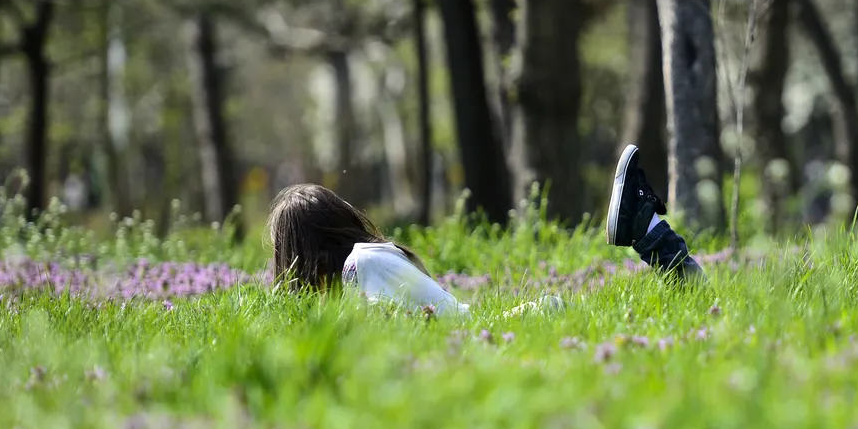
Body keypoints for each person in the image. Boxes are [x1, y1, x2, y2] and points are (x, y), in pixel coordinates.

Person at [266, 144, 704, 316]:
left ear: (308, 253)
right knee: (681, 311)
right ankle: (645, 227)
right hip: (505, 331)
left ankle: (643, 224)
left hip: (502, 335)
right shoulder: (363, 266)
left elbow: (400, 330)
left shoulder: (358, 265)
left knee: (685, 309)